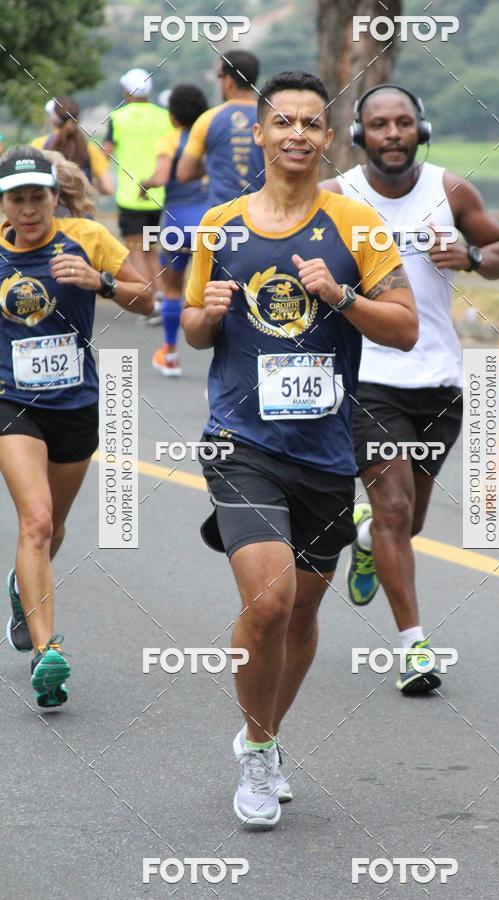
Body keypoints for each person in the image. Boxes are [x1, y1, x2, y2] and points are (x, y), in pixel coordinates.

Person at [182, 71, 417, 827]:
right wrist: (207, 315)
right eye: (282, 121)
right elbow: (192, 327)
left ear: (325, 137)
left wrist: (342, 296)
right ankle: (256, 750)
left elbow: (405, 327)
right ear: (257, 132)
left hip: (323, 450)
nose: (296, 135)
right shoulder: (220, 223)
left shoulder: (356, 224)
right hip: (239, 441)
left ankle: (270, 735)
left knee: (303, 614)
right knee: (270, 599)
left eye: (311, 124)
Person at [321, 84, 499, 694]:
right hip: (369, 378)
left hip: (438, 380)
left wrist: (474, 256)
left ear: (420, 129)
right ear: (360, 135)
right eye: (379, 124)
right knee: (395, 508)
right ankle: (413, 648)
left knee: (410, 522)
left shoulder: (449, 191)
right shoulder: (336, 197)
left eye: (404, 122)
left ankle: (364, 536)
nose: (393, 134)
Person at [0, 146, 152, 707]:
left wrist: (100, 283)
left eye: (38, 196)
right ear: (4, 205)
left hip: (76, 404)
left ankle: (23, 586)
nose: (30, 208)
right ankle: (48, 654)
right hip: (11, 403)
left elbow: (147, 298)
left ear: (54, 196)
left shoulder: (86, 237)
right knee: (34, 521)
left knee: (53, 528)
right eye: (18, 199)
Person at [139, 84, 210, 376]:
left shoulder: (170, 140)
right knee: (216, 292)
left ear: (173, 116)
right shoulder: (209, 139)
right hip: (209, 219)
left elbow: (161, 175)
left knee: (171, 289)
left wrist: (145, 185)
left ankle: (170, 354)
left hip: (177, 221)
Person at [103, 68, 170, 321]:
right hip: (158, 194)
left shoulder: (118, 118)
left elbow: (105, 152)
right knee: (150, 248)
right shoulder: (164, 117)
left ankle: (150, 302)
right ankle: (161, 295)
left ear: (126, 91)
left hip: (130, 196)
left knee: (135, 249)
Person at [177, 50, 265, 204]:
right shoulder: (270, 118)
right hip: (264, 214)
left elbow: (185, 173)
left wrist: (216, 164)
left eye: (219, 76)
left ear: (229, 81)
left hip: (222, 216)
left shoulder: (208, 119)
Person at [32, 97, 113, 196]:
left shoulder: (37, 145)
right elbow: (108, 188)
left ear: (52, 119)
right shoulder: (90, 149)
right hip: (81, 209)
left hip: (50, 210)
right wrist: (85, 186)